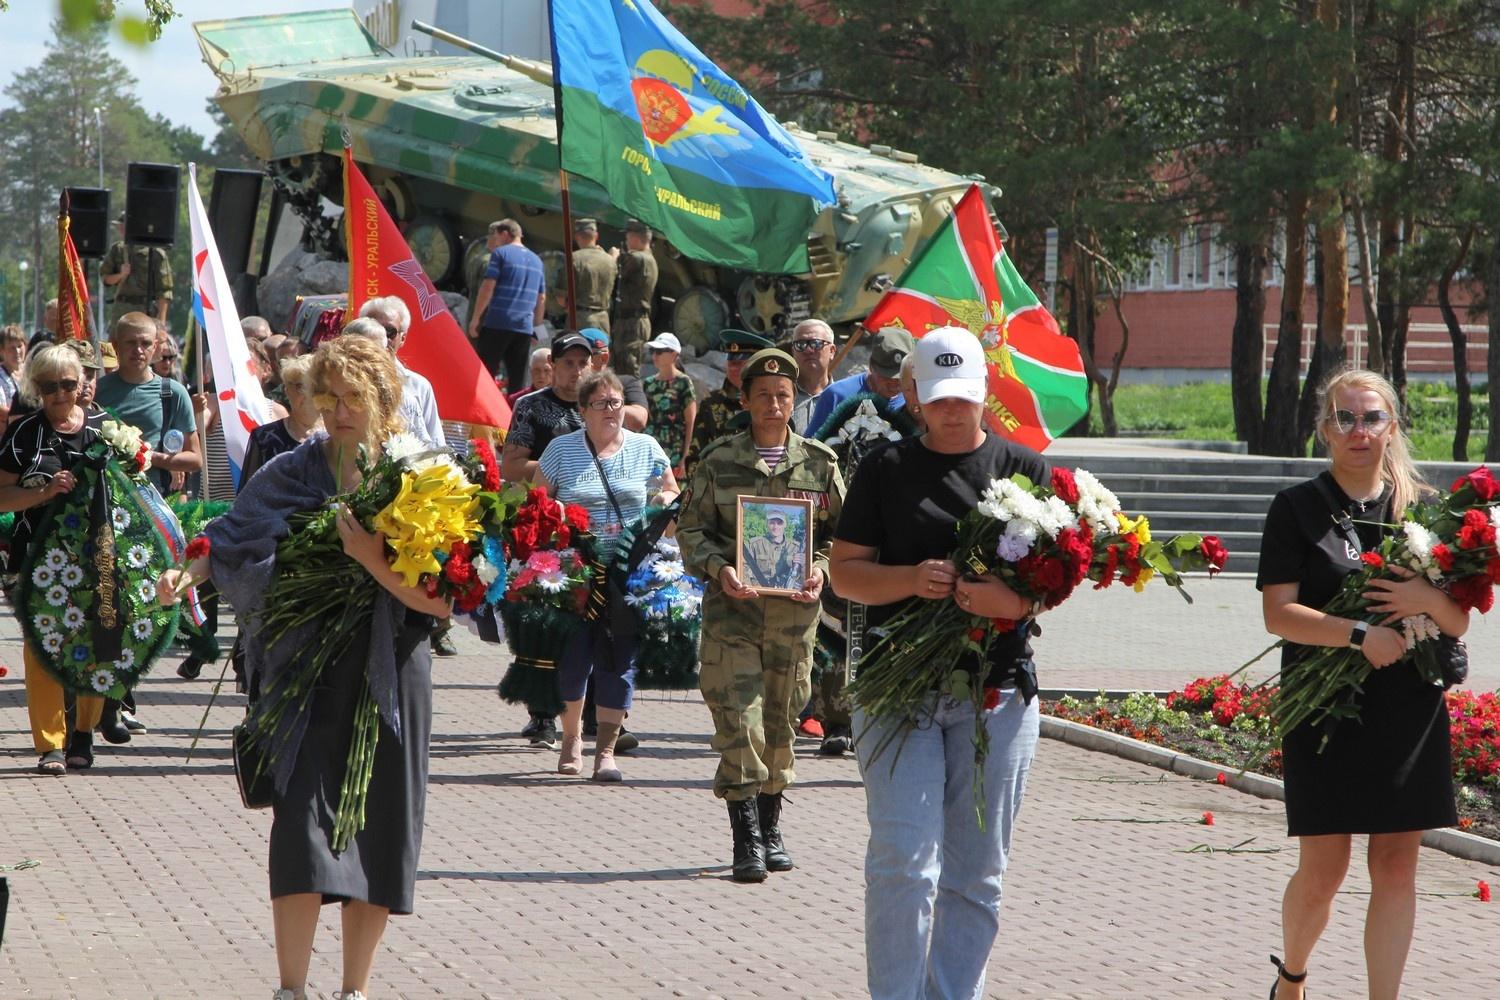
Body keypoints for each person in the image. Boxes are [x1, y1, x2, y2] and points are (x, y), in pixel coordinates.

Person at [157, 335, 447, 1000]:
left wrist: (373, 559)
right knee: (301, 826)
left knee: (377, 826)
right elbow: (231, 535)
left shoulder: (419, 476)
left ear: (383, 400)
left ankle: (354, 990)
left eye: (354, 397)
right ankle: (290, 989)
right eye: (329, 397)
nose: (340, 411)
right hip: (304, 675)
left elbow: (444, 596)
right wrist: (188, 572)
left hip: (391, 673)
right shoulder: (291, 471)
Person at [827, 326, 1047, 1000]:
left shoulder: (1026, 470)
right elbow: (844, 576)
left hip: (998, 693)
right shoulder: (885, 470)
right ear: (916, 393)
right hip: (898, 694)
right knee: (904, 864)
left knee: (977, 872)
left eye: (967, 397)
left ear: (985, 392)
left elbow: (1051, 581)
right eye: (941, 397)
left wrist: (1002, 600)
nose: (955, 410)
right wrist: (910, 580)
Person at [1256, 368, 1463, 1000]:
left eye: (1371, 418)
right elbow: (1278, 614)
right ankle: (1292, 975)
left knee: (1397, 866)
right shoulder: (1296, 508)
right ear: (1324, 429)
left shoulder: (1425, 512)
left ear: (1391, 427)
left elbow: (1457, 619)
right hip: (1326, 713)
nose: (1358, 430)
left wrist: (1425, 594)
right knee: (1325, 870)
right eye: (1344, 418)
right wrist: (1356, 635)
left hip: (1409, 706)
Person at [677, 348, 844, 883]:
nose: (775, 404)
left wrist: (820, 568)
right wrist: (719, 567)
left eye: (784, 396)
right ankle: (745, 838)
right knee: (738, 721)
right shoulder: (719, 461)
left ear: (795, 402)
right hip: (733, 616)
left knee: (781, 723)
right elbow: (690, 530)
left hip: (794, 621)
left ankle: (772, 828)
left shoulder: (820, 464)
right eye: (764, 395)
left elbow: (842, 536)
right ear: (745, 400)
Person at [533, 369, 677, 781]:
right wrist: (555, 515)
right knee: (573, 662)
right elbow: (537, 504)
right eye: (600, 404)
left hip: (627, 574)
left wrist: (664, 499)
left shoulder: (645, 447)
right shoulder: (561, 451)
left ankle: (607, 752)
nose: (611, 410)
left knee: (619, 662)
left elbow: (670, 490)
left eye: (615, 402)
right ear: (583, 411)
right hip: (575, 574)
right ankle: (572, 740)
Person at [0, 345, 111, 773]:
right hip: (36, 557)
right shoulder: (24, 433)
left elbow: (131, 486)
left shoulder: (105, 427)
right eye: (50, 388)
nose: (61, 395)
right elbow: (1, 495)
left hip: (96, 553)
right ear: (37, 389)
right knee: (42, 646)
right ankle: (49, 744)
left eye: (68, 384)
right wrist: (43, 492)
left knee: (96, 644)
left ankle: (83, 731)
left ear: (81, 382)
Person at [499, 331, 593, 748]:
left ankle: (597, 713)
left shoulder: (602, 406)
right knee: (545, 620)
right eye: (568, 362)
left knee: (595, 624)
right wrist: (562, 460)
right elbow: (512, 466)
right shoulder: (531, 407)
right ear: (552, 365)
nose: (575, 370)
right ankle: (542, 714)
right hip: (546, 529)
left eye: (582, 362)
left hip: (596, 527)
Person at [96, 312, 202, 497]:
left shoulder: (174, 393)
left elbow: (195, 459)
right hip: (107, 498)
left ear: (155, 348)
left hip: (157, 503)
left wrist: (149, 457)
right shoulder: (97, 391)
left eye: (145, 344)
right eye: (130, 343)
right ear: (115, 346)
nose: (138, 350)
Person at [466, 219, 546, 393]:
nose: (495, 240)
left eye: (496, 235)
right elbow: (541, 298)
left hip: (498, 323)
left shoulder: (501, 254)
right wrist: (537, 329)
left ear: (504, 234)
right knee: (517, 380)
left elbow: (488, 287)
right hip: (524, 328)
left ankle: (483, 414)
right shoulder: (537, 261)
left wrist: (475, 318)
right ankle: (513, 416)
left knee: (485, 374)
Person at [357, 296, 445, 451]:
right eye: (373, 327)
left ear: (402, 338)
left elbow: (434, 446)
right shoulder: (338, 379)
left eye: (389, 331)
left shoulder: (419, 387)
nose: (381, 337)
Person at [684, 328, 772, 477]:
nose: (733, 367)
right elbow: (695, 458)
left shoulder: (773, 403)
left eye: (740, 362)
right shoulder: (711, 404)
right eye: (730, 362)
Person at [805, 327, 912, 436]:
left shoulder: (916, 397)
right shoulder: (836, 396)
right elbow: (810, 446)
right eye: (886, 378)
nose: (894, 386)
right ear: (871, 366)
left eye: (900, 379)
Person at [642, 332, 697, 479]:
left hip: (675, 449)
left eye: (660, 351)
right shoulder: (648, 383)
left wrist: (686, 457)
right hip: (651, 447)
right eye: (653, 351)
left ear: (674, 354)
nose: (655, 356)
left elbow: (691, 423)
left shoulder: (684, 382)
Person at [101, 216, 172, 324]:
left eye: (123, 226)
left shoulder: (155, 253)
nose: (120, 229)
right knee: (115, 339)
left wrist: (161, 321)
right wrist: (121, 275)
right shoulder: (117, 249)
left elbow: (164, 291)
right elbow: (105, 279)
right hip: (121, 309)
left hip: (145, 309)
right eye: (119, 226)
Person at [579, 328, 649, 430]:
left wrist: (600, 406)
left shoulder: (626, 382)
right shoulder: (570, 385)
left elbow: (639, 419)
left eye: (583, 358)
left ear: (604, 358)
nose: (577, 364)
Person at [611, 219, 657, 375]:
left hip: (632, 323)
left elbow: (613, 272)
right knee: (624, 366)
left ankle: (630, 399)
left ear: (636, 238)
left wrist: (613, 258)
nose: (626, 241)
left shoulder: (638, 258)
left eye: (628, 237)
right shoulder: (648, 258)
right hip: (633, 321)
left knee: (628, 368)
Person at [787, 318, 836, 434]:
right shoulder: (781, 399)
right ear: (793, 351)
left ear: (832, 351)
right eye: (800, 344)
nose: (808, 350)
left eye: (816, 343)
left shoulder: (844, 398)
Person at [571, 218, 616, 334]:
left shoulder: (574, 258)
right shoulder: (610, 260)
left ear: (577, 237)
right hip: (603, 319)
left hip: (580, 319)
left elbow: (561, 298)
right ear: (596, 236)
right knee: (600, 351)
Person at [0, 324, 28, 424]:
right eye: (11, 348)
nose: (17, 351)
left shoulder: (31, 372)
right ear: (1, 351)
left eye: (20, 346)